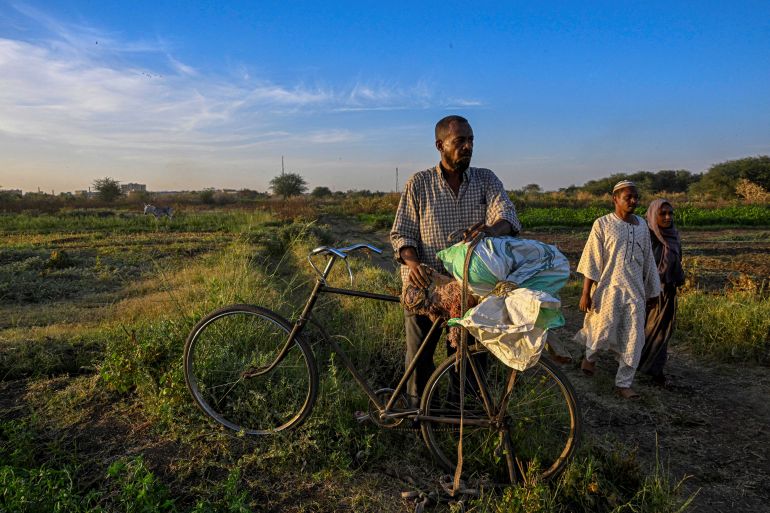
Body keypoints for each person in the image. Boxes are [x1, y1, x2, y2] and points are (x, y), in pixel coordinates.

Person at [390, 115, 521, 405]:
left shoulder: (486, 179)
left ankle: (464, 415)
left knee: (470, 358)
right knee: (420, 358)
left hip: (471, 290)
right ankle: (418, 416)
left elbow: (508, 216)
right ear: (440, 145)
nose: (468, 146)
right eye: (460, 141)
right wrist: (412, 264)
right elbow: (401, 234)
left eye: (471, 140)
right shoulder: (419, 184)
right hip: (426, 286)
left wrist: (491, 228)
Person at [574, 180, 661, 400]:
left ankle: (623, 383)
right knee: (601, 329)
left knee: (634, 337)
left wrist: (653, 291)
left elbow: (648, 260)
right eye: (628, 197)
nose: (633, 201)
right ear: (615, 199)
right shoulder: (602, 224)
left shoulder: (642, 225)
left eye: (635, 197)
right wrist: (586, 292)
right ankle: (590, 358)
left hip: (635, 292)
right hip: (608, 289)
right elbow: (593, 258)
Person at [638, 199, 685, 386]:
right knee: (649, 332)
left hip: (668, 292)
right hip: (650, 293)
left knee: (663, 332)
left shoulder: (672, 235)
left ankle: (654, 370)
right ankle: (644, 371)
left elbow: (676, 262)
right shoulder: (646, 236)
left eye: (670, 213)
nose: (667, 217)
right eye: (662, 213)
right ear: (652, 214)